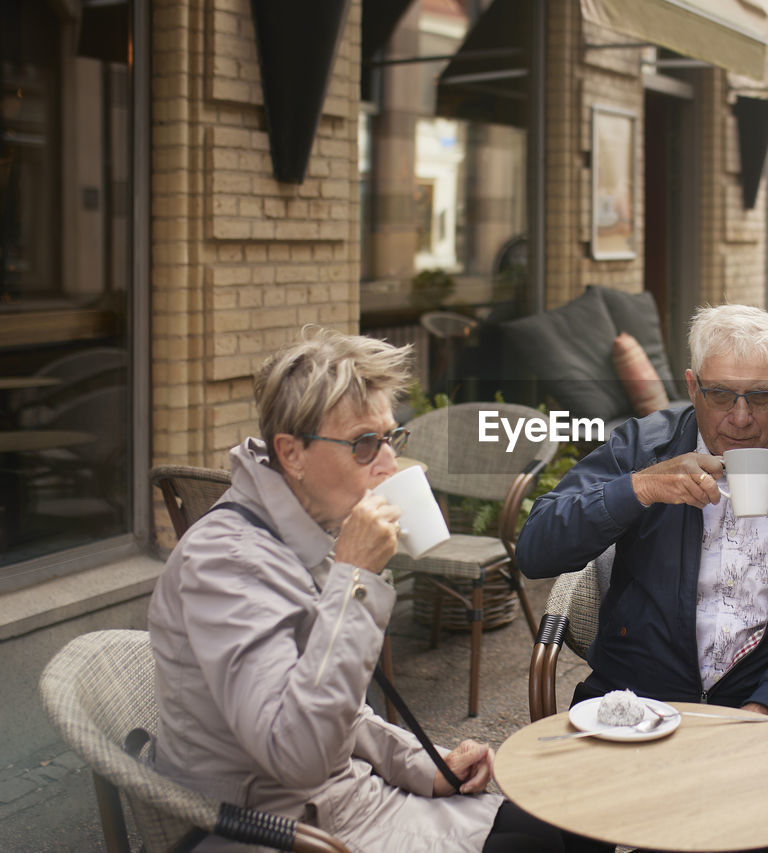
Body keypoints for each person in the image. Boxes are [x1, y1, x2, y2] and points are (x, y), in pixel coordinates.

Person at [149, 326, 600, 853]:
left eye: (391, 437)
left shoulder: (309, 526)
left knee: (569, 824)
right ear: (292, 453)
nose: (388, 464)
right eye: (365, 444)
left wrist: (427, 763)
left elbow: (343, 709)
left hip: (349, 800)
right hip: (285, 828)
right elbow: (298, 753)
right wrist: (356, 579)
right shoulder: (225, 564)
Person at [516, 304, 768, 723]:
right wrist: (641, 487)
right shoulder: (642, 446)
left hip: (755, 713)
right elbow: (535, 552)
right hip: (634, 705)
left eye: (760, 396)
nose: (740, 419)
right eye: (719, 394)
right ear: (692, 386)